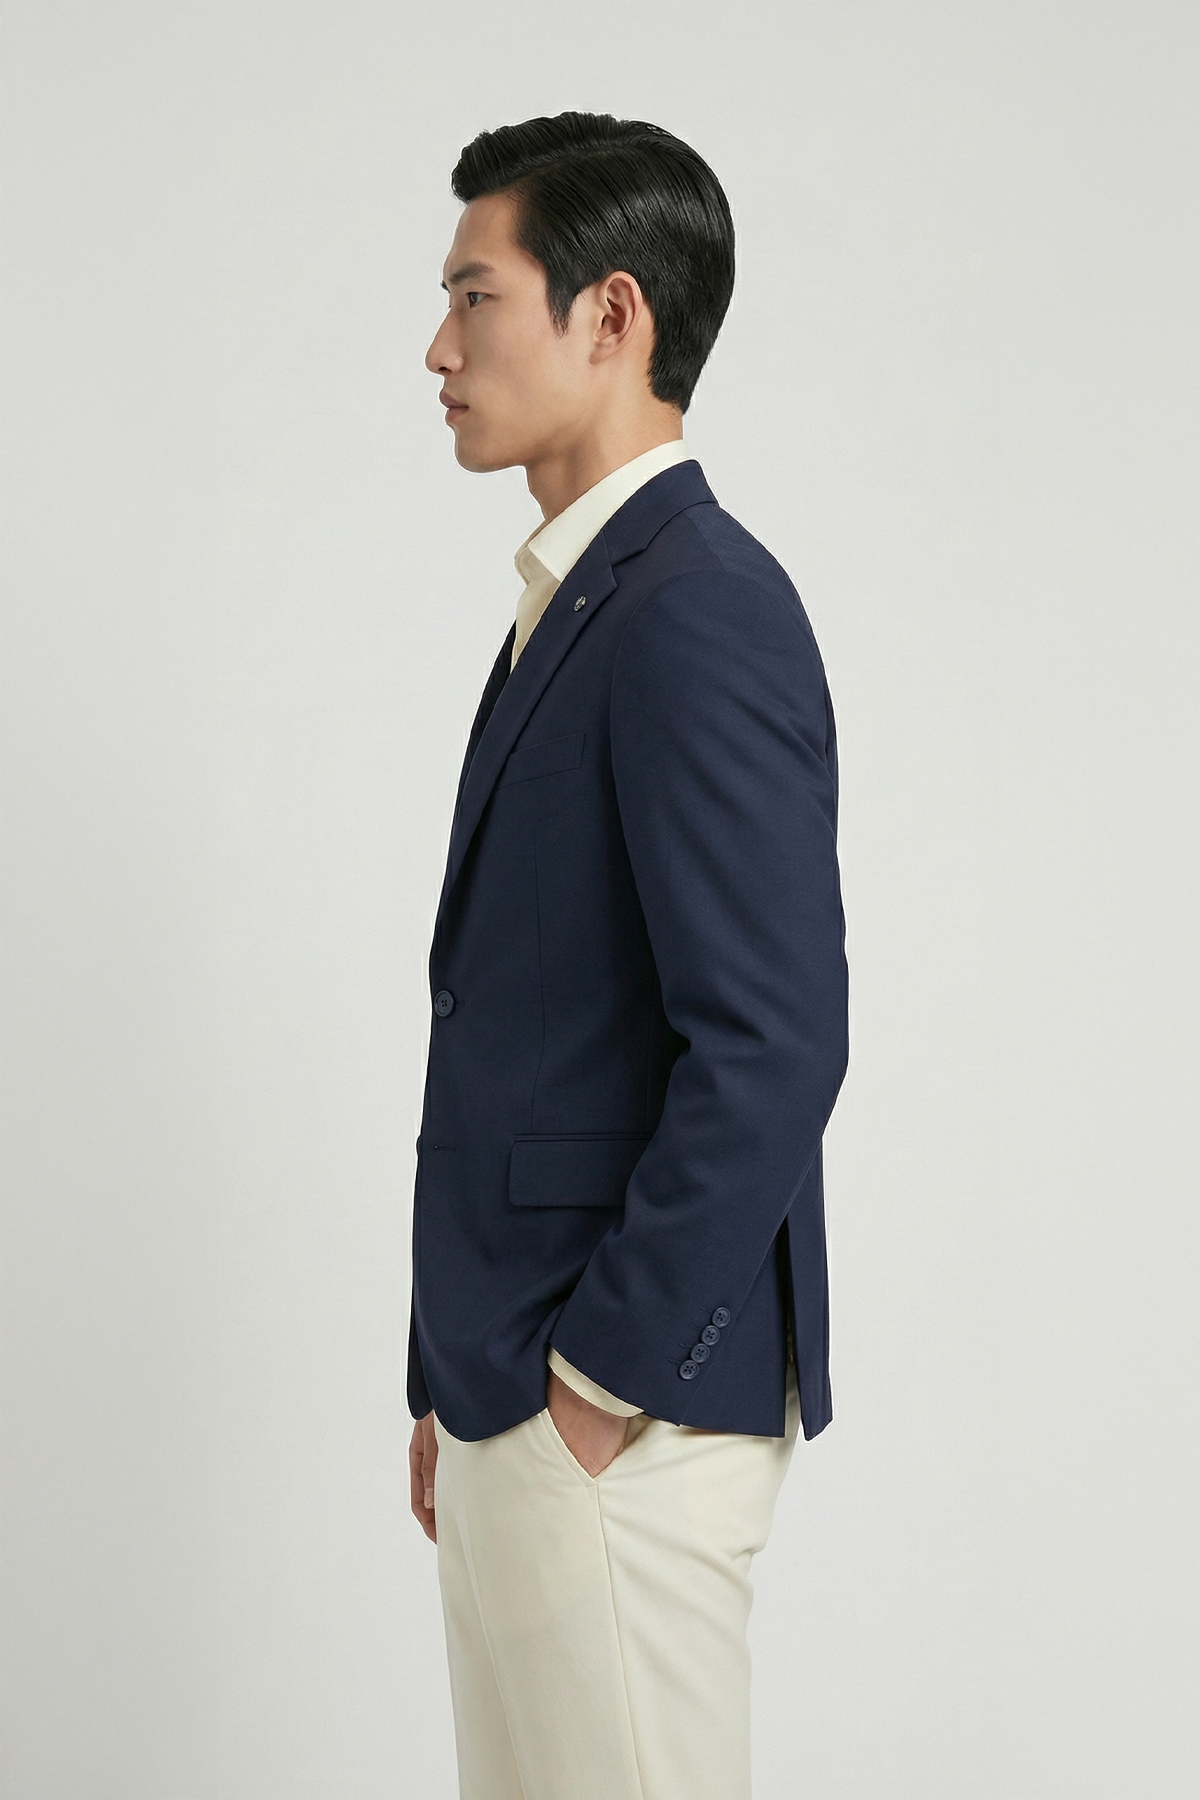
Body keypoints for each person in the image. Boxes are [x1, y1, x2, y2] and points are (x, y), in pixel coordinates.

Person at [407, 111, 849, 1800]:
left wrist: (594, 1384)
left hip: (616, 1417)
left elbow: (774, 1039)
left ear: (611, 315)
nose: (438, 350)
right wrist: (458, 1373)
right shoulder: (583, 603)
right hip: (515, 1394)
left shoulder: (695, 607)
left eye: (475, 297)